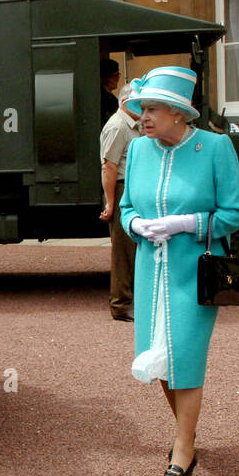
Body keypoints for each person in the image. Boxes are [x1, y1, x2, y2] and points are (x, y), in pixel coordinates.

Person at [119, 67, 239, 476]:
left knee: (185, 357)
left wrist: (186, 223)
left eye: (153, 108)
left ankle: (183, 448)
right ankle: (186, 434)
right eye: (141, 109)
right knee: (158, 359)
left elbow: (237, 213)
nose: (144, 117)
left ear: (178, 113)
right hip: (148, 271)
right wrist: (136, 225)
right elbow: (125, 208)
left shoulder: (214, 147)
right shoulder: (139, 150)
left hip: (193, 270)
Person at [99, 81, 141, 321]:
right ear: (125, 103)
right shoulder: (117, 127)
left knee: (131, 251)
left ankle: (127, 302)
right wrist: (110, 202)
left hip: (129, 187)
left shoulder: (129, 125)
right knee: (124, 254)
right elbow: (109, 166)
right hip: (123, 187)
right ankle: (121, 305)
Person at [99, 57, 120, 125]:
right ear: (105, 78)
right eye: (114, 76)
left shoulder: (111, 98)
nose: (117, 79)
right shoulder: (102, 98)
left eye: (118, 75)